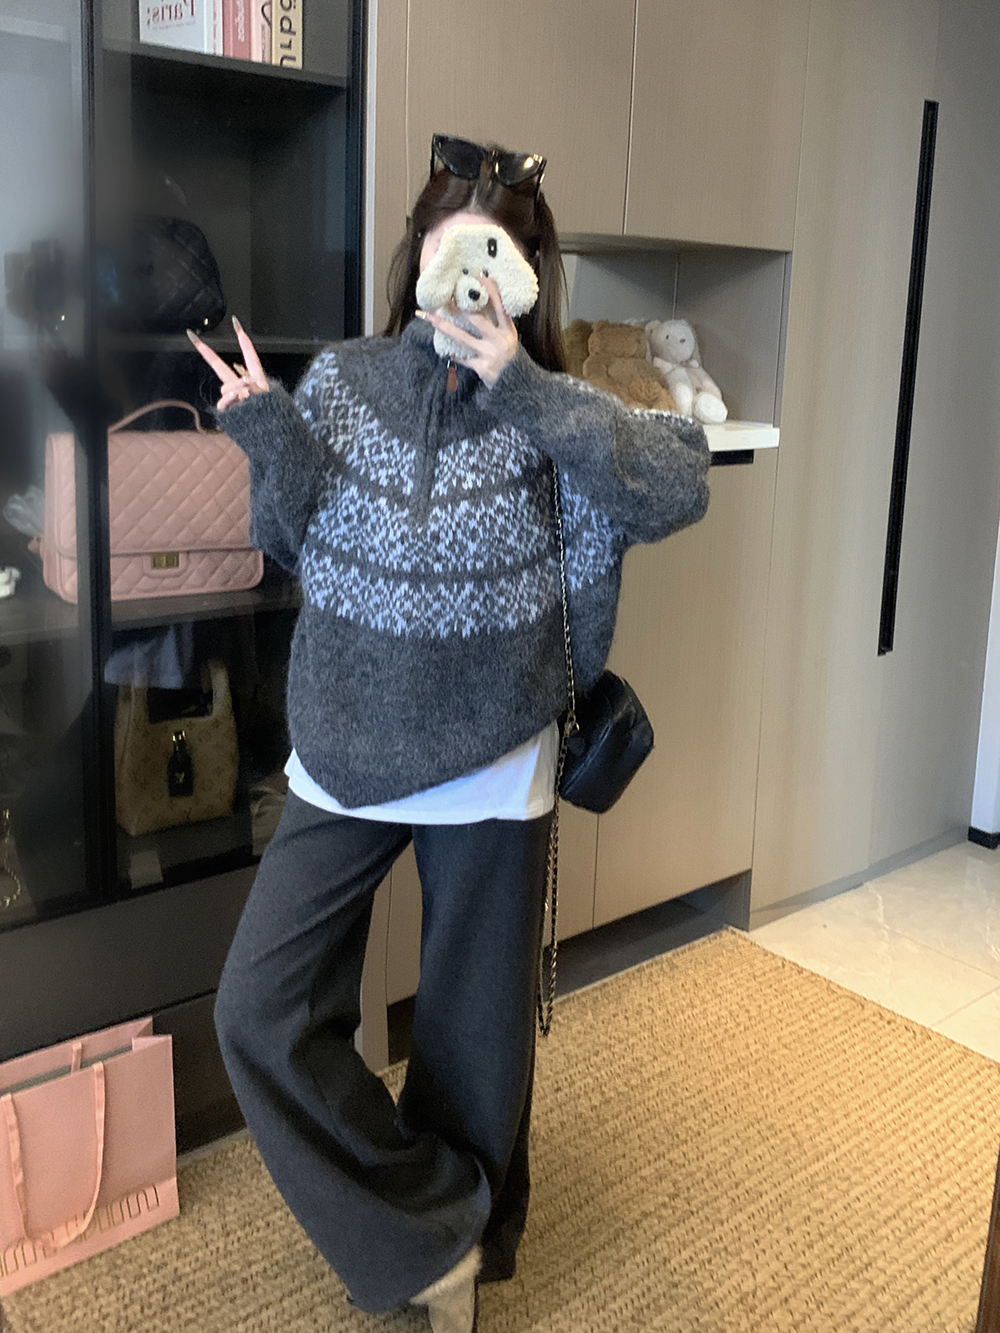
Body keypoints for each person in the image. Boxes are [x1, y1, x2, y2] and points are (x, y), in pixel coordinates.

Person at [190, 134, 711, 1333]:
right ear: (416, 257)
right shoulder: (343, 379)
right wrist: (269, 433)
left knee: (473, 1043)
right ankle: (435, 1223)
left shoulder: (559, 403)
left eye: (496, 253)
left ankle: (458, 1266)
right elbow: (289, 540)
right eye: (448, 246)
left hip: (495, 756)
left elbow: (676, 485)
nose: (468, 274)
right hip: (344, 747)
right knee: (259, 1013)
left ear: (525, 275)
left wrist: (523, 387)